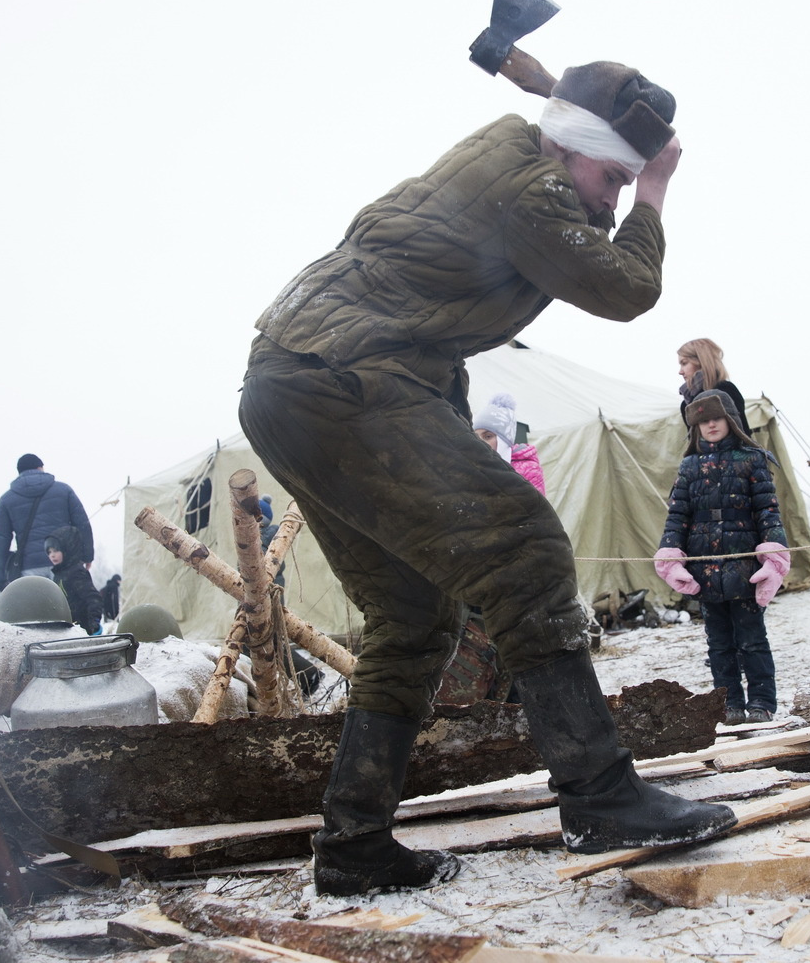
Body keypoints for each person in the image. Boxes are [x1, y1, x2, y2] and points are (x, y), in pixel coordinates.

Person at [238, 60, 735, 896]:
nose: (610, 202)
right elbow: (627, 287)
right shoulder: (531, 192)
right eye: (609, 178)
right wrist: (654, 191)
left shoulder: (516, 152)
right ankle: (600, 794)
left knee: (411, 616)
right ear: (569, 146)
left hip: (291, 381)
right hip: (345, 374)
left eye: (623, 186)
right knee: (526, 548)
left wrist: (624, 163)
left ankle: (355, 843)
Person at [654, 390, 791, 725]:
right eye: (702, 420)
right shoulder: (689, 466)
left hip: (744, 568)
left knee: (752, 639)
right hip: (705, 571)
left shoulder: (752, 459)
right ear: (695, 427)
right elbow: (678, 517)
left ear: (729, 419)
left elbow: (768, 512)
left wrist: (774, 555)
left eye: (715, 418)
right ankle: (728, 702)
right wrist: (671, 556)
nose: (710, 424)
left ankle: (762, 701)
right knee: (718, 643)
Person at [0, 454, 94, 591]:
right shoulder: (64, 490)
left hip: (29, 568)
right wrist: (87, 556)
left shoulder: (6, 500)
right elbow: (82, 525)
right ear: (40, 467)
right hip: (64, 564)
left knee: (36, 610)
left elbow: (0, 539)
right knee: (65, 608)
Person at [473, 392, 546, 495]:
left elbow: (536, 509)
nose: (480, 443)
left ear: (503, 439)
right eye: (476, 437)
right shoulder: (474, 467)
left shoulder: (529, 470)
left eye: (488, 436)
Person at [676, 338, 750, 435]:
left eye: (684, 363)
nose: (680, 372)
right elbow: (693, 443)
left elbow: (743, 435)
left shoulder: (725, 390)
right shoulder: (686, 404)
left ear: (702, 361)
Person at [45, 525, 102, 635]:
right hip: (66, 629)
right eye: (49, 552)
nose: (52, 555)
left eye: (56, 550)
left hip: (82, 629)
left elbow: (93, 598)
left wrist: (94, 623)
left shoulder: (76, 572)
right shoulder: (58, 574)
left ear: (67, 549)